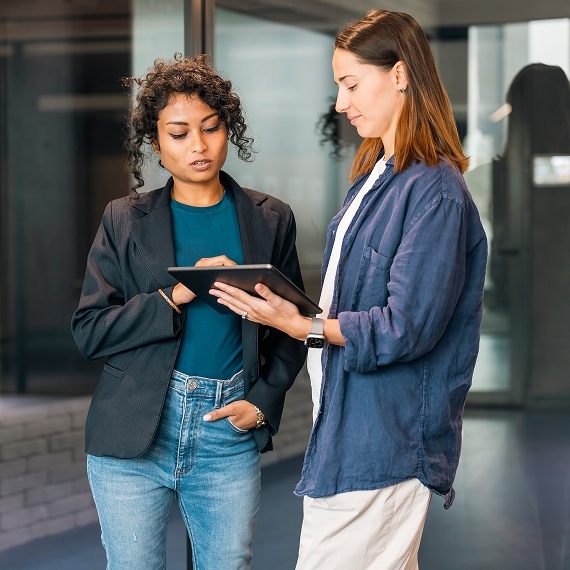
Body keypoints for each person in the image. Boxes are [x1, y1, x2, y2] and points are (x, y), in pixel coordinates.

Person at [209, 10, 488, 570]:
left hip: (384, 441)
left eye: (351, 84)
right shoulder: (379, 176)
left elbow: (405, 327)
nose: (340, 103)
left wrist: (299, 325)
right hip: (348, 428)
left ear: (402, 75)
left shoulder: (434, 190)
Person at [71, 53, 306, 570]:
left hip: (228, 426)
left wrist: (262, 402)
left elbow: (290, 329)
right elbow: (89, 331)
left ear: (229, 130)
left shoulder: (270, 219)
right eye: (179, 134)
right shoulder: (124, 220)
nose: (198, 146)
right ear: (156, 144)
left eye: (211, 128)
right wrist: (174, 296)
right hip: (133, 429)